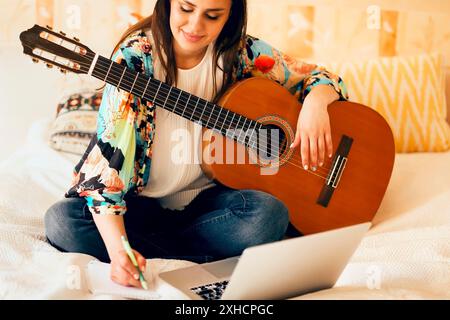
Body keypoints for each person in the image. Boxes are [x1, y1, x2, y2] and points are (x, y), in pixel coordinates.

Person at [45, 0, 348, 289]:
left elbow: (321, 77)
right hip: (140, 206)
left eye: (213, 15)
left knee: (268, 215)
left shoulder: (241, 53)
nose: (195, 25)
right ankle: (204, 257)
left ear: (230, 15)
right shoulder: (136, 59)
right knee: (63, 222)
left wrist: (316, 104)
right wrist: (118, 250)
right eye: (186, 8)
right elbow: (108, 164)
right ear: (167, 4)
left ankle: (162, 253)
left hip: (209, 205)